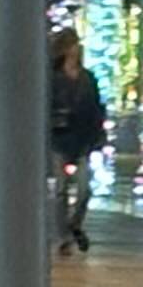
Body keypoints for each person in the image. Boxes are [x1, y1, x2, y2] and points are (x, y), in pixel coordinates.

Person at [51, 29, 107, 256]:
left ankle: (75, 223)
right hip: (59, 138)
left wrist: (98, 135)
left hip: (82, 140)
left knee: (84, 189)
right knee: (61, 190)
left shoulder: (87, 78)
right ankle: (63, 236)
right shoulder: (54, 78)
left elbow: (96, 109)